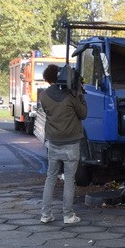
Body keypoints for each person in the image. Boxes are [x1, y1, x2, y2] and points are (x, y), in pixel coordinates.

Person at [39, 64, 87, 225]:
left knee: (50, 178)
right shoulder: (71, 96)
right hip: (71, 143)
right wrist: (80, 95)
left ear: (47, 78)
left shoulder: (43, 96)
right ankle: (68, 215)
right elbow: (83, 114)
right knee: (69, 180)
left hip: (53, 142)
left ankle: (45, 214)